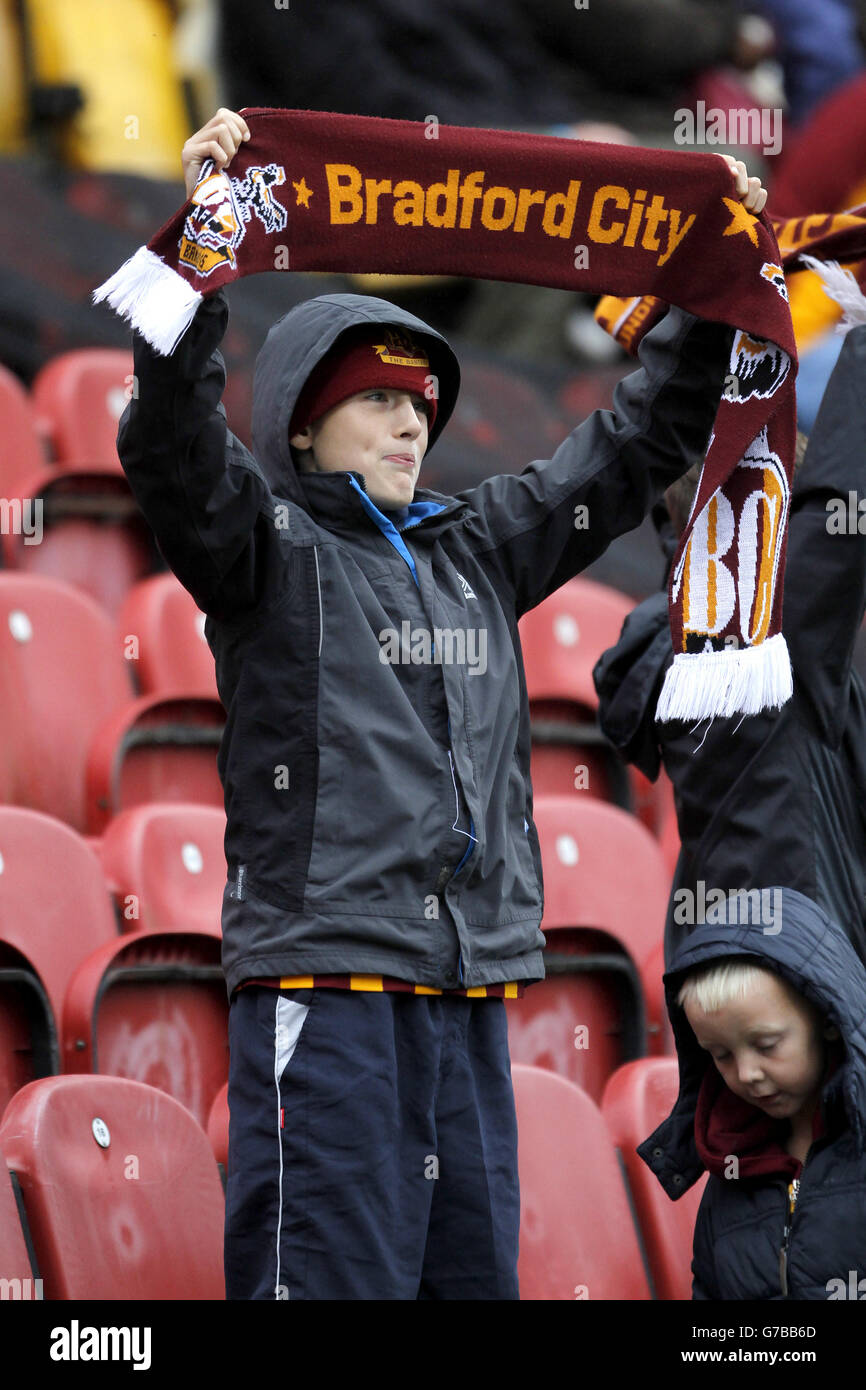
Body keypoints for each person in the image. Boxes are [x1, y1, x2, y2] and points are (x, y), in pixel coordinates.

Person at [115, 108, 766, 1300]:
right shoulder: (262, 547)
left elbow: (630, 446)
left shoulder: (479, 548)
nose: (413, 419)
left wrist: (706, 267)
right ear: (301, 424)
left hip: (470, 996)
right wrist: (204, 256)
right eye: (377, 400)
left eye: (421, 402)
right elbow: (166, 438)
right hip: (331, 994)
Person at [593, 322, 866, 971]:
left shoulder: (708, 633)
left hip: (749, 982)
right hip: (792, 996)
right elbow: (840, 513)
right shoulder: (763, 635)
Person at [638, 888, 866, 1300]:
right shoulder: (731, 1163)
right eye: (721, 1055)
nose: (746, 1074)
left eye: (766, 1045)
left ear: (827, 1020)